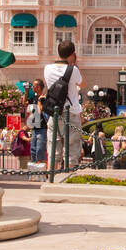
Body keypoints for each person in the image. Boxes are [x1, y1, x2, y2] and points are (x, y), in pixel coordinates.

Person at [43, 41, 83, 170]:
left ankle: (52, 177)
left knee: (53, 148)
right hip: (71, 112)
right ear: (72, 54)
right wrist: (73, 65)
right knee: (72, 149)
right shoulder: (73, 70)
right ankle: (68, 178)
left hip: (54, 113)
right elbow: (82, 84)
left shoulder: (47, 68)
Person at [26, 77, 48, 167]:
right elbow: (25, 102)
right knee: (33, 149)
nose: (32, 87)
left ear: (38, 87)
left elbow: (40, 111)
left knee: (40, 149)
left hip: (42, 128)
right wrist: (26, 92)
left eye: (33, 86)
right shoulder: (34, 97)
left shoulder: (44, 98)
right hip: (35, 127)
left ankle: (42, 170)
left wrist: (39, 101)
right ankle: (35, 169)